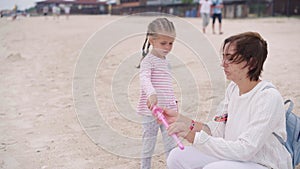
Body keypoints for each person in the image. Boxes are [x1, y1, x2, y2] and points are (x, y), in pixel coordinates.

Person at [161, 32, 293, 169]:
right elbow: (216, 130)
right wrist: (182, 120)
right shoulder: (233, 89)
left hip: (263, 163)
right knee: (177, 157)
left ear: (252, 62)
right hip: (234, 155)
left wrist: (193, 137)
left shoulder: (268, 97)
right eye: (223, 58)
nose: (223, 64)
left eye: (230, 59)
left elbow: (245, 150)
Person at [136, 18, 178, 169]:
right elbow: (144, 78)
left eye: (171, 43)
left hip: (167, 111)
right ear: (151, 41)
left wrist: (173, 104)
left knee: (171, 142)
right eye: (163, 43)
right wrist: (151, 93)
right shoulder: (148, 61)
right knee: (149, 143)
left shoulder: (166, 61)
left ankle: (173, 165)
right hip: (151, 111)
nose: (167, 47)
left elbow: (167, 86)